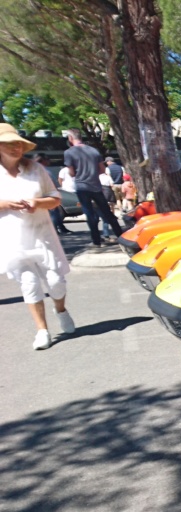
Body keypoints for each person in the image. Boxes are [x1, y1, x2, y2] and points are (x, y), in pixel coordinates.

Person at [0, 124, 75, 350]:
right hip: (12, 237)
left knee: (56, 282)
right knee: (29, 283)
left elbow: (55, 198)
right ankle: (42, 330)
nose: (16, 148)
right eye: (10, 144)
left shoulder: (35, 169)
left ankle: (60, 309)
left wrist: (37, 203)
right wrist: (4, 204)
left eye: (19, 144)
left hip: (42, 234)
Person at [63, 128, 122, 246]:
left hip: (81, 186)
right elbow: (102, 169)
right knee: (107, 212)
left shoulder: (69, 152)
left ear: (70, 138)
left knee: (89, 214)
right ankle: (121, 235)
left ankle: (96, 241)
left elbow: (72, 173)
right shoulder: (94, 151)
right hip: (96, 186)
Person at [35, 155, 72, 235]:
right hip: (48, 195)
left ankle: (61, 228)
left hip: (40, 195)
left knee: (56, 213)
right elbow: (53, 184)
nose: (49, 162)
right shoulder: (45, 171)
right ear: (43, 161)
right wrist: (57, 193)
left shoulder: (34, 171)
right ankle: (55, 230)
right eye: (47, 160)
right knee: (53, 214)